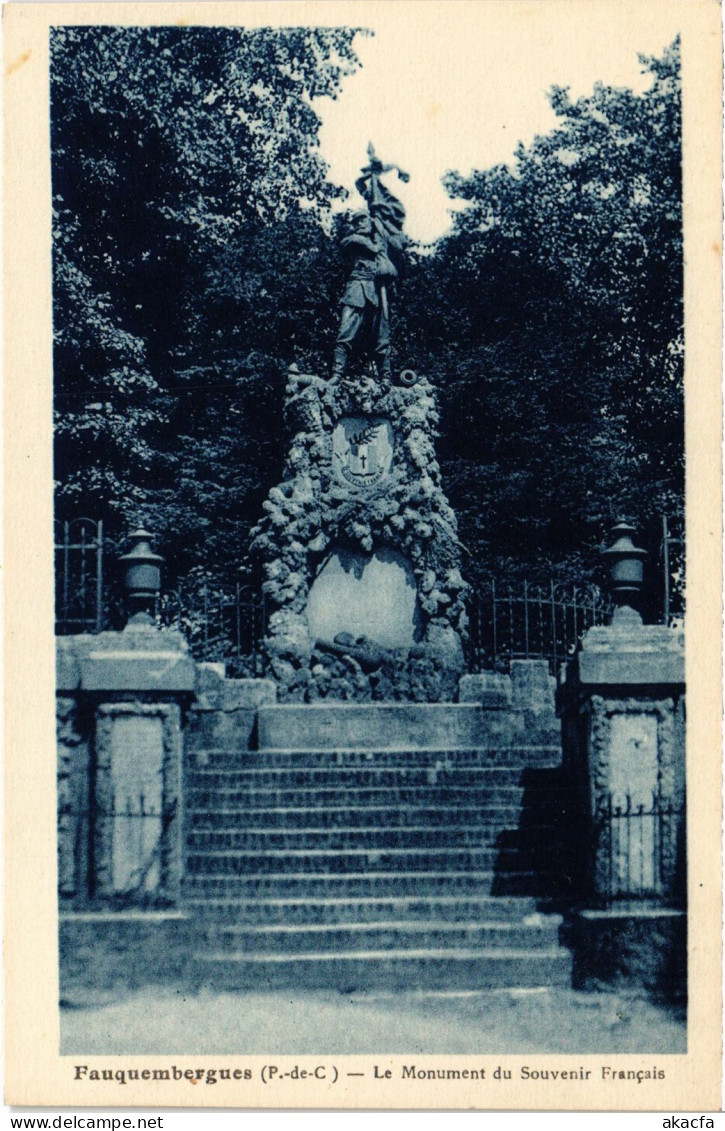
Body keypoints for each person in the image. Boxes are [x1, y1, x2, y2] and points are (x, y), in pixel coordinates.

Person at [331, 153, 408, 382]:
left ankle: (385, 376)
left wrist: (373, 174)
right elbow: (358, 245)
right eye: (358, 222)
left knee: (381, 335)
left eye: (364, 221)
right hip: (355, 290)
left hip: (376, 291)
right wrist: (376, 242)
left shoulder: (378, 237)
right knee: (345, 331)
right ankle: (337, 374)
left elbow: (392, 246)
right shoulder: (353, 240)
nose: (361, 224)